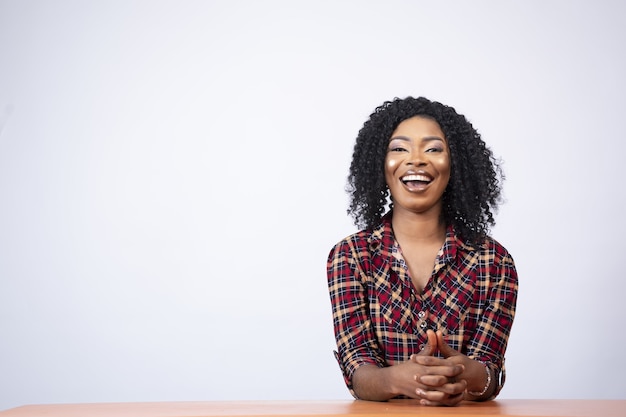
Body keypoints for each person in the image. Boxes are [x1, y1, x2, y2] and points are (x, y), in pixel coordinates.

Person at [326, 96, 518, 406]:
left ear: (456, 164)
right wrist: (398, 378)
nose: (416, 160)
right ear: (379, 164)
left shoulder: (494, 262)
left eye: (433, 149)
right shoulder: (351, 256)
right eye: (399, 148)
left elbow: (489, 377)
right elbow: (358, 370)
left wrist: (464, 374)